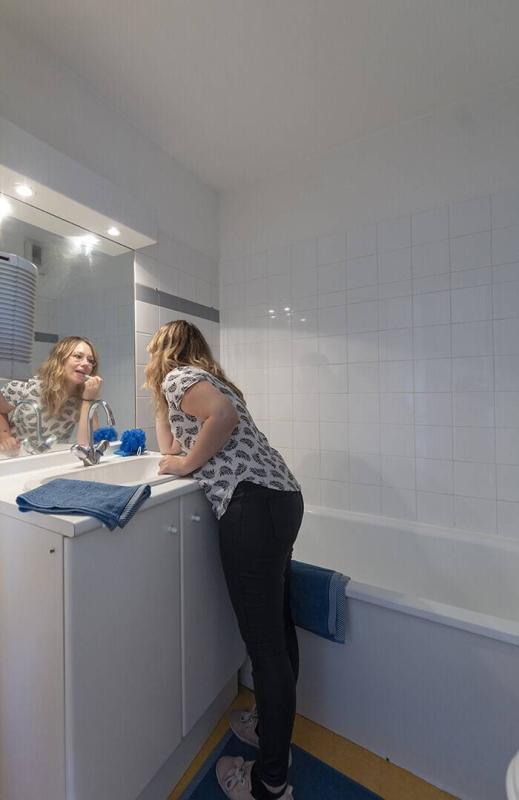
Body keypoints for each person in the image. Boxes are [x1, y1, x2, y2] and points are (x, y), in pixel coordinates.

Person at [145, 320, 303, 800]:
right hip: (281, 498)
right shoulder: (205, 379)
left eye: (152, 351)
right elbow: (171, 446)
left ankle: (270, 783)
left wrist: (186, 464)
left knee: (266, 646)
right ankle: (271, 732)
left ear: (164, 350)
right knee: (278, 628)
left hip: (251, 505)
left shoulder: (181, 377)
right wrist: (163, 409)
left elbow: (221, 418)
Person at [0, 335, 103, 455]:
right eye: (78, 356)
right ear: (60, 359)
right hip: (16, 458)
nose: (86, 364)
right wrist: (5, 436)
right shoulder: (26, 389)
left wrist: (88, 400)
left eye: (91, 360)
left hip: (51, 460)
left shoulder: (84, 399)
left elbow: (90, 446)